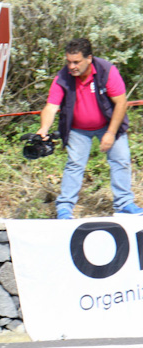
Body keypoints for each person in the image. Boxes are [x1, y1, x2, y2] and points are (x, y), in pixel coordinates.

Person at [35, 38, 142, 219]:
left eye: (76, 62)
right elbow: (51, 106)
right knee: (74, 165)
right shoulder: (63, 77)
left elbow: (121, 103)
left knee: (121, 160)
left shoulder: (107, 71)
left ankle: (124, 204)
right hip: (78, 128)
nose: (72, 66)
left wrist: (111, 133)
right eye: (69, 62)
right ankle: (65, 208)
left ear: (89, 58)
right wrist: (43, 128)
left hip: (108, 124)